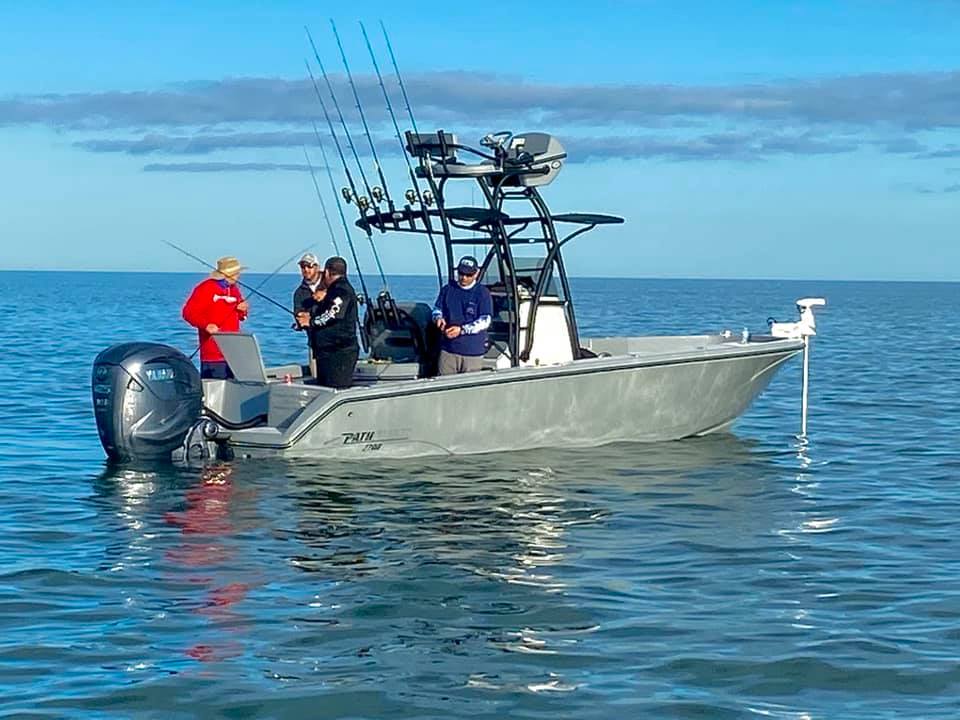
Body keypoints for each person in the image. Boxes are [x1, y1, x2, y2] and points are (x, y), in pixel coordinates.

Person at [296, 256, 359, 389]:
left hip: (339, 352)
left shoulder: (341, 290)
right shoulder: (331, 290)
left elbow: (332, 314)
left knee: (335, 388)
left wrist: (311, 321)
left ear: (327, 272)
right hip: (326, 350)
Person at [182, 256, 249, 379]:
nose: (239, 276)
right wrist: (206, 325)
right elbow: (188, 312)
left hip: (233, 352)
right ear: (229, 274)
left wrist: (243, 311)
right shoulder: (205, 288)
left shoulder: (234, 289)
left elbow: (241, 316)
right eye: (237, 273)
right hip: (212, 353)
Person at [432, 255, 493, 374]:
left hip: (471, 352)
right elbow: (437, 309)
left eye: (468, 275)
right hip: (448, 351)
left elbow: (485, 320)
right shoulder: (447, 290)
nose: (464, 278)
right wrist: (438, 318)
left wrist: (462, 330)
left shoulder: (482, 293)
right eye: (461, 274)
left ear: (476, 274)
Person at [293, 252, 324, 376]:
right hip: (314, 342)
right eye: (303, 267)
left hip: (334, 342)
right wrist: (301, 321)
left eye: (309, 266)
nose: (306, 270)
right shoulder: (299, 293)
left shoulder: (329, 285)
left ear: (316, 267)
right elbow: (299, 316)